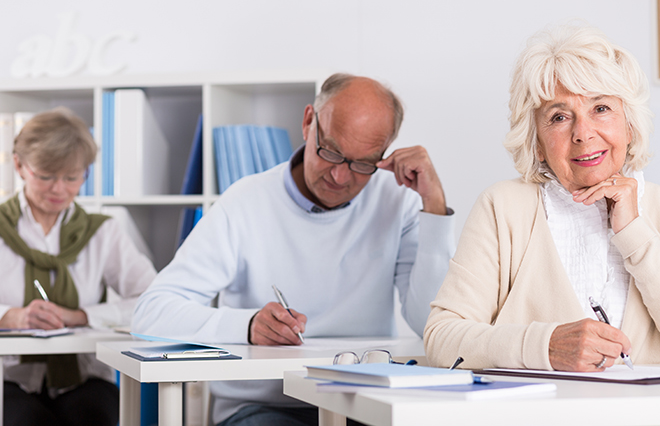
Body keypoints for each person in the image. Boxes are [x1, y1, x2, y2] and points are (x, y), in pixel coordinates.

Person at [133, 73, 455, 425]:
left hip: (363, 402)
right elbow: (152, 312)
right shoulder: (245, 201)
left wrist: (434, 208)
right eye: (330, 151)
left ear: (384, 155)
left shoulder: (399, 201)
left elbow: (433, 325)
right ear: (307, 123)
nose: (340, 177)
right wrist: (248, 325)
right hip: (264, 407)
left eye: (363, 164)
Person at [424, 24, 660, 373]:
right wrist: (544, 347)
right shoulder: (503, 206)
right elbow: (441, 338)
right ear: (536, 142)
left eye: (601, 108)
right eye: (560, 117)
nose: (583, 134)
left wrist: (634, 232)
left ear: (629, 124)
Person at [0, 108, 157, 426]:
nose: (59, 189)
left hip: (85, 378)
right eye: (45, 176)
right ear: (18, 165)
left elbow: (153, 300)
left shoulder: (103, 232)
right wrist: (11, 315)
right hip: (8, 379)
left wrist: (82, 316)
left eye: (72, 177)